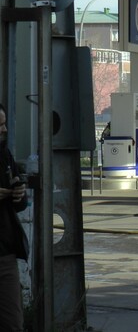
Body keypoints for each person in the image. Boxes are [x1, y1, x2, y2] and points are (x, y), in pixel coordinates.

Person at [0, 103, 29, 332]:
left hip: (4, 254)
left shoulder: (4, 156)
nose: (4, 130)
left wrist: (19, 193)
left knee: (12, 322)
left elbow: (20, 205)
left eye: (4, 124)